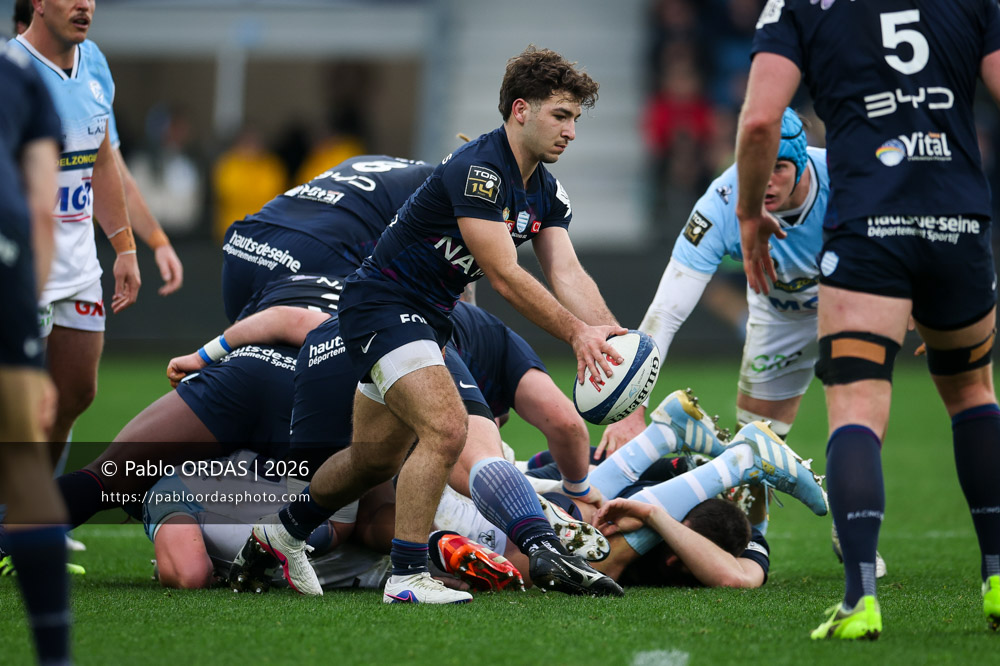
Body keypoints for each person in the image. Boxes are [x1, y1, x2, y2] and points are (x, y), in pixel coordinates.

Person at [234, 46, 626, 605]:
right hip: (382, 305)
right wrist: (575, 333)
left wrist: (609, 333)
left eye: (576, 120)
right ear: (521, 110)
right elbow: (504, 275)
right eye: (560, 116)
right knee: (446, 429)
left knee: (374, 458)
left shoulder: (545, 189)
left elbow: (566, 269)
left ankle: (279, 533)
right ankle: (407, 579)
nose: (570, 131)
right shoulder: (479, 171)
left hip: (424, 317)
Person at [736, 0, 1000, 640]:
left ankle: (860, 599)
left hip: (868, 228)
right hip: (959, 222)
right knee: (973, 396)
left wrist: (749, 213)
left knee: (855, 409)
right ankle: (997, 576)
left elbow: (760, 121)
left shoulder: (797, 6)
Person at [10, 0, 187, 447]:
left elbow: (104, 161)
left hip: (79, 263)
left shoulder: (95, 63)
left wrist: (127, 248)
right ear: (36, 3)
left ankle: (32, 510)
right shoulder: (10, 72)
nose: (84, 4)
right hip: (23, 263)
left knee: (76, 393)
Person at [601, 107, 824, 455]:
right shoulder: (720, 202)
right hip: (780, 317)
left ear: (802, 164)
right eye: (757, 165)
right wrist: (631, 409)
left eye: (778, 167)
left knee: (855, 414)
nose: (766, 179)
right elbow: (666, 312)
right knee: (755, 455)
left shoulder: (843, 177)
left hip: (847, 303)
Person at [0, 42, 71, 665]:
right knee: (23, 462)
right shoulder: (23, 75)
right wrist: (31, 329)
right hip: (6, 255)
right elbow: (42, 211)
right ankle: (55, 657)